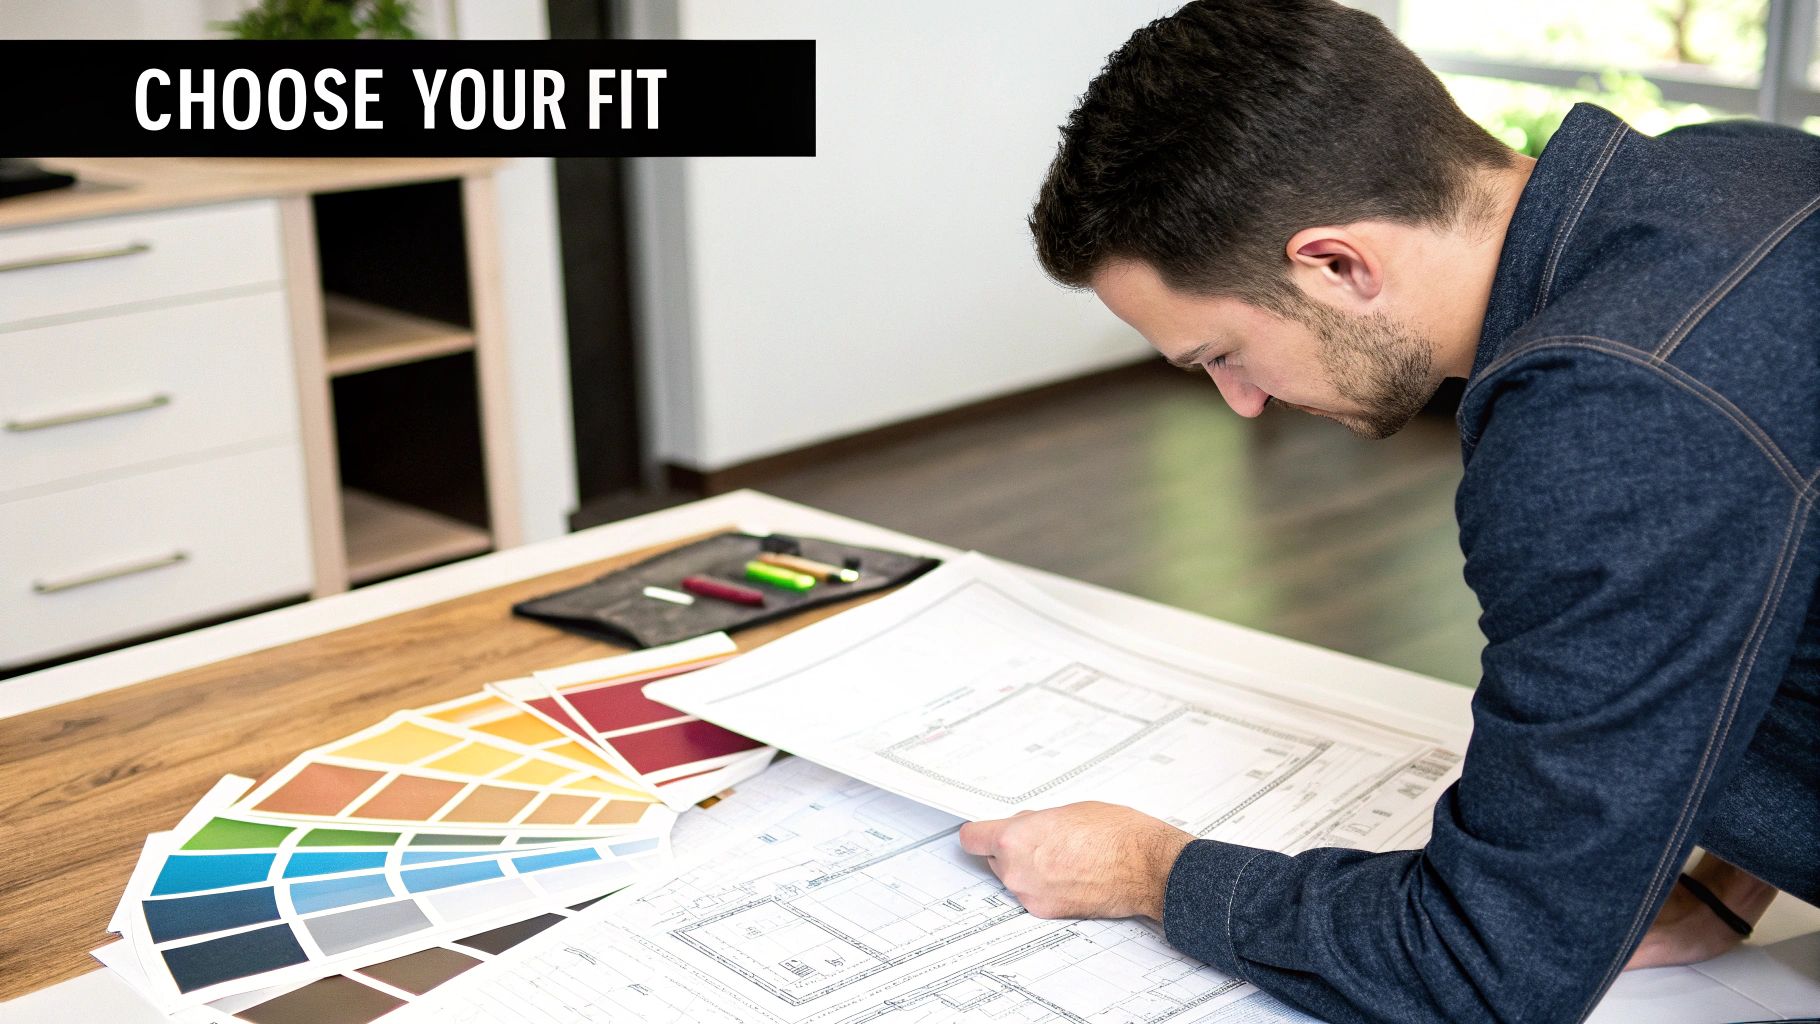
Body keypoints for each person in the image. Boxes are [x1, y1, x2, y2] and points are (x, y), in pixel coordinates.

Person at [956, 1, 1820, 1021]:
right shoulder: (1741, 170)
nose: (1237, 401)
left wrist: (1146, 869)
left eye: (1221, 354)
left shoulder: (1604, 420)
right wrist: (1723, 879)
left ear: (1335, 263)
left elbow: (1476, 966)